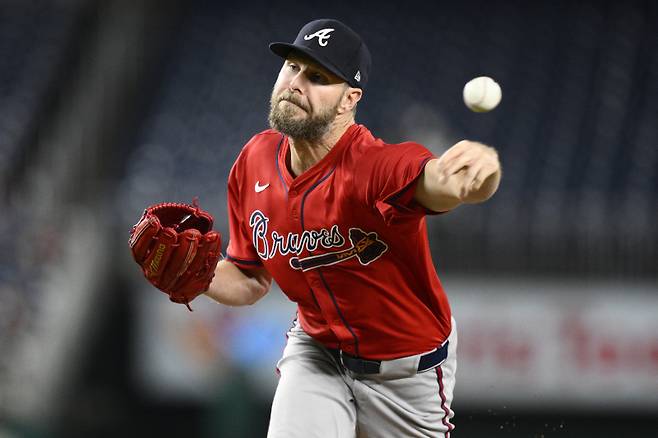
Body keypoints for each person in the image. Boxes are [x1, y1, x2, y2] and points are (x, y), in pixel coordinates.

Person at [204, 18, 501, 437]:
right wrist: (198, 274)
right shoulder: (254, 160)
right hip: (317, 353)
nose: (296, 82)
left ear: (349, 99)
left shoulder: (372, 167)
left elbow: (438, 183)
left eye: (318, 76)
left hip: (405, 376)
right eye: (292, 66)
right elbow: (250, 279)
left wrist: (476, 177)